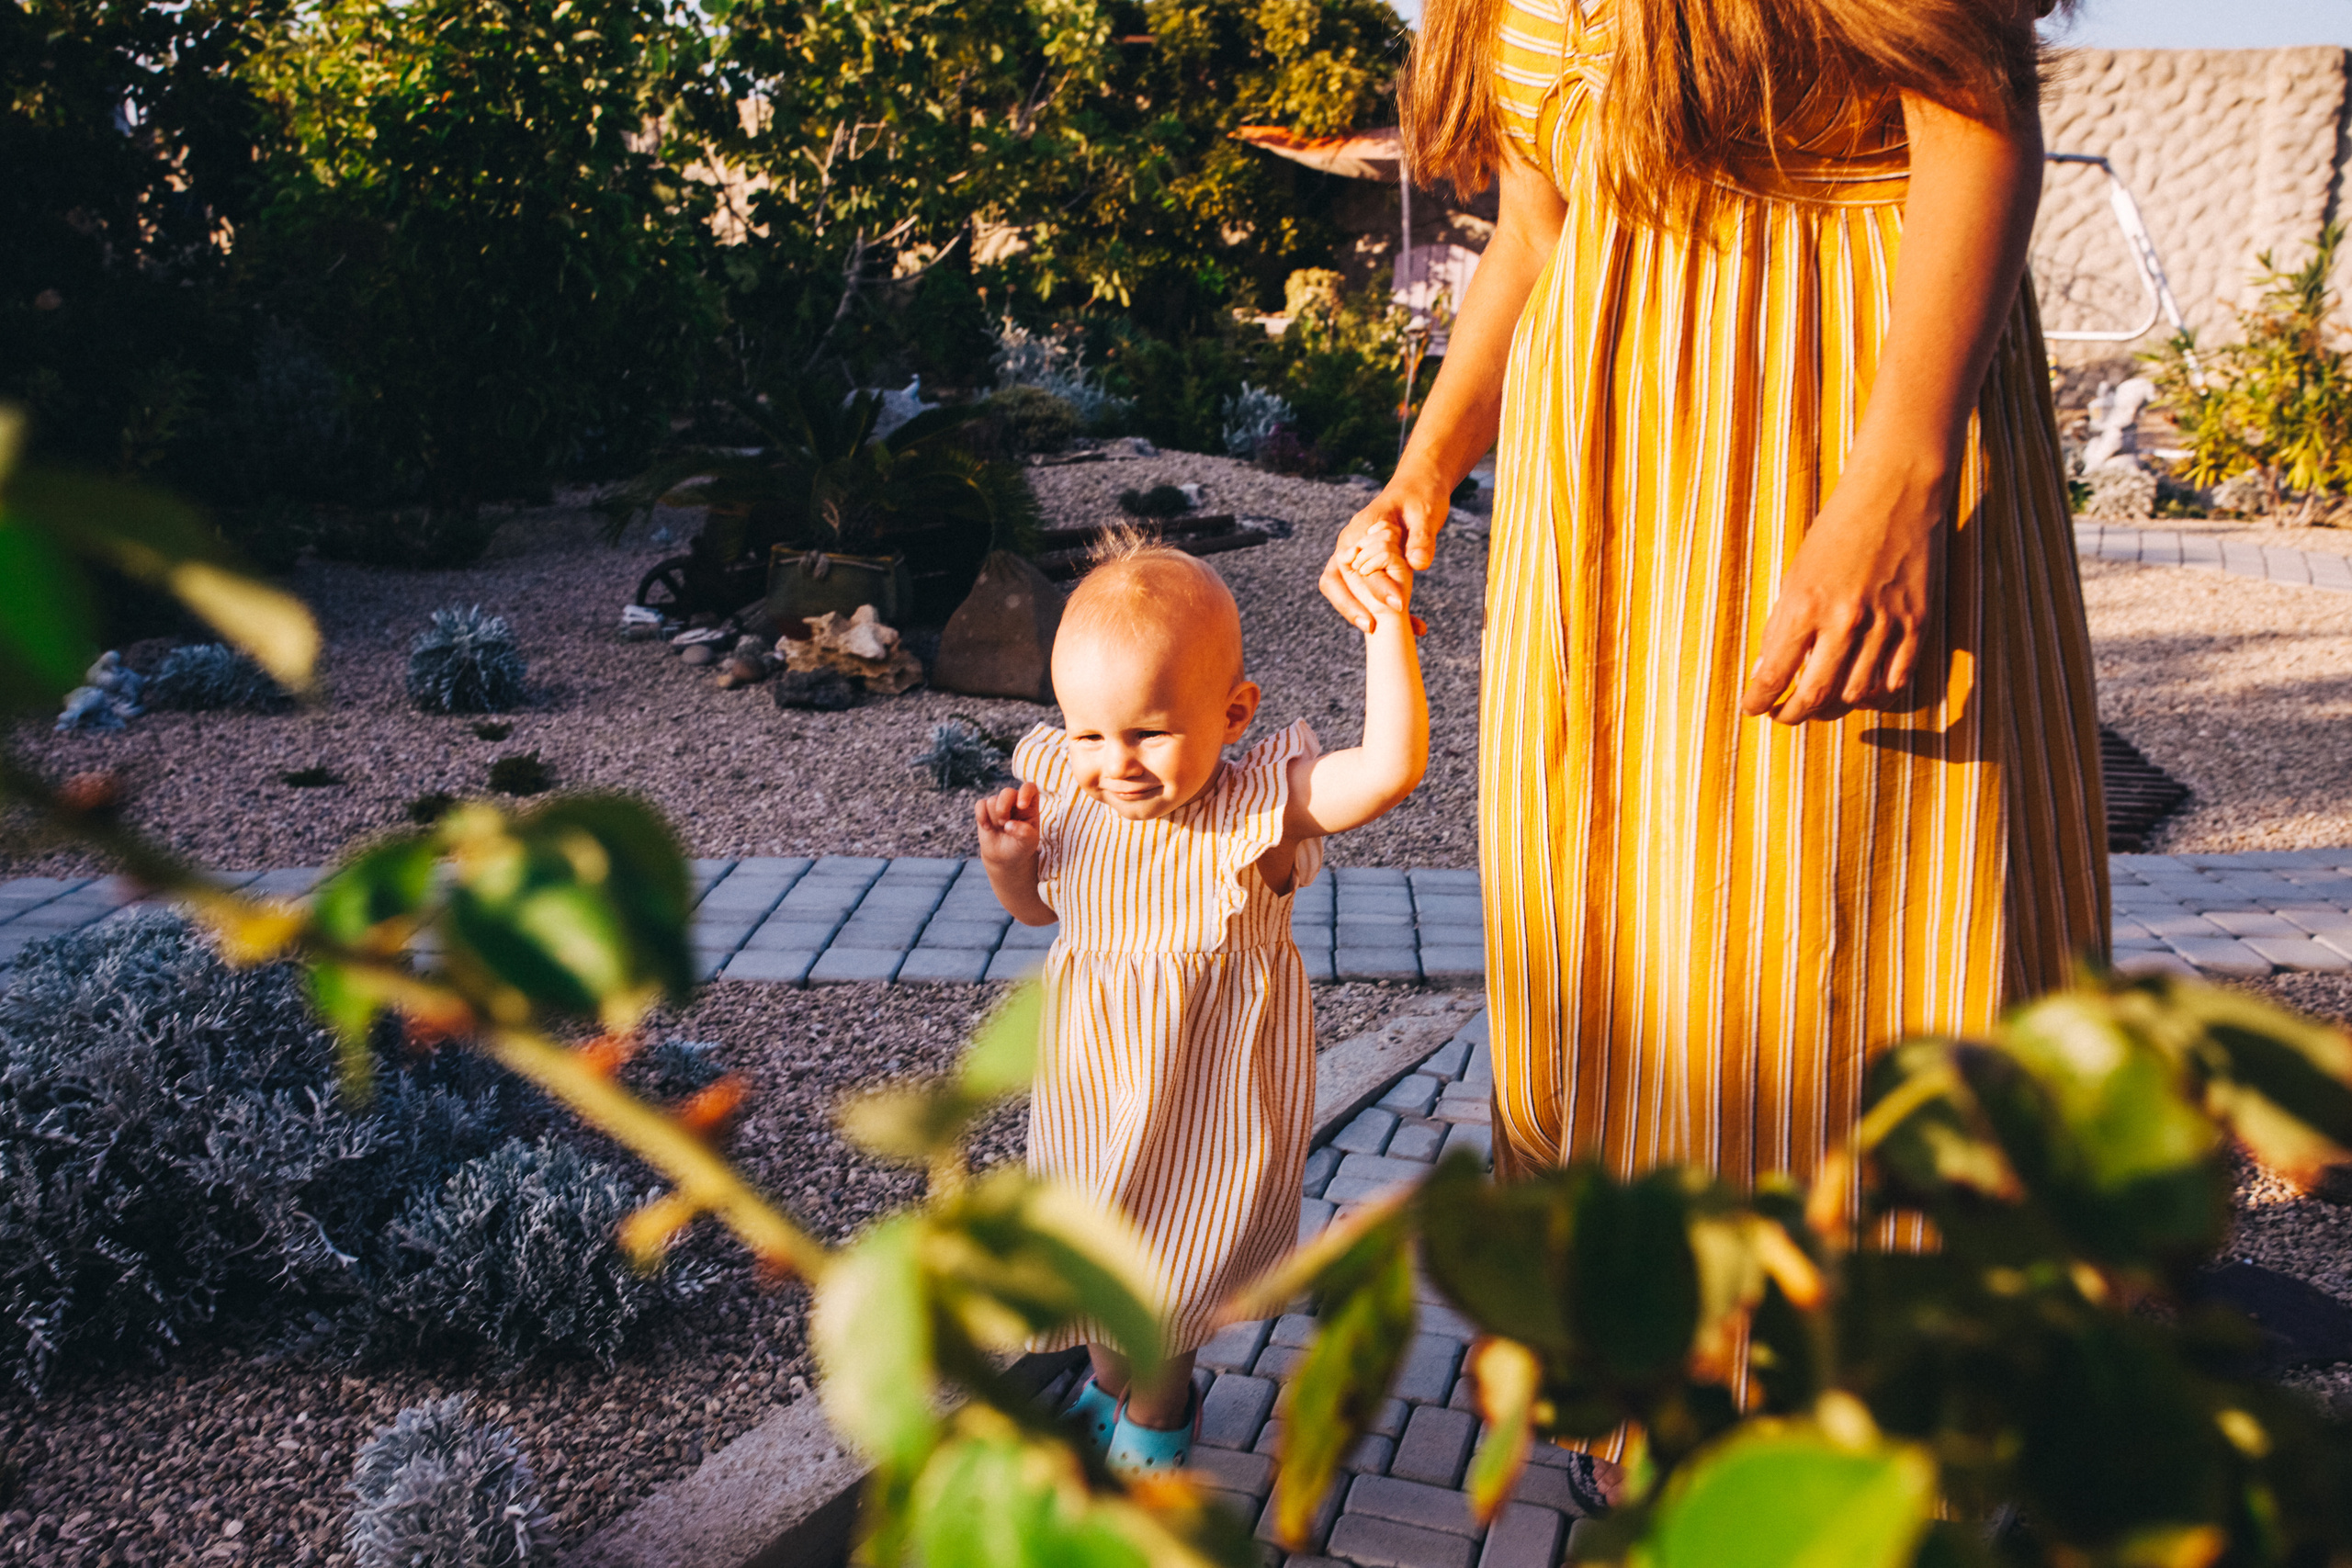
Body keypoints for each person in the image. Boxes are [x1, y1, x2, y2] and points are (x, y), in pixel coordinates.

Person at [1325, 0, 2109, 1491]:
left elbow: (1979, 117)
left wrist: (1896, 480)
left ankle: (1858, 1420)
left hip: (1824, 429)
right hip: (1607, 503)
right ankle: (1666, 1377)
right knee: (1632, 935)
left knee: (1834, 940)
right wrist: (1428, 460)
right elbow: (1544, 218)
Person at [977, 527, 1428, 1474]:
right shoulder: (1070, 791)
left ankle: (1160, 1417)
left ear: (1232, 712)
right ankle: (1108, 1390)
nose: (1117, 761)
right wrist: (1007, 864)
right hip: (1092, 1094)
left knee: (1171, 1274)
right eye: (1091, 732)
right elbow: (1034, 915)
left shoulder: (1261, 807)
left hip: (1205, 1107)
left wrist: (1388, 628)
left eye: (1148, 730)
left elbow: (1387, 773)